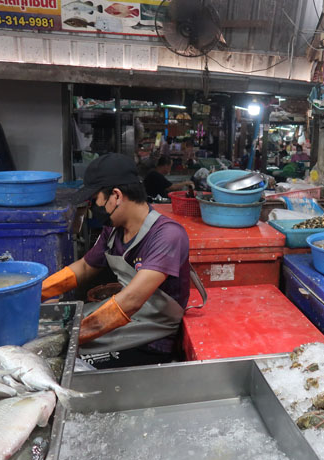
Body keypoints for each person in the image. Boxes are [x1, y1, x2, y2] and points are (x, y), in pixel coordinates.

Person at [40, 153, 205, 368]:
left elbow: (131, 300)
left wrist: (68, 337)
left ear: (116, 196)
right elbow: (86, 266)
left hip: (151, 338)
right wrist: (37, 293)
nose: (92, 208)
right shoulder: (113, 230)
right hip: (122, 320)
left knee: (64, 363)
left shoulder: (167, 235)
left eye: (94, 200)